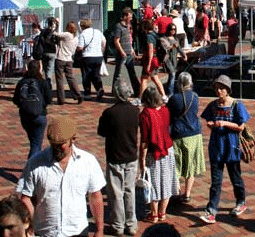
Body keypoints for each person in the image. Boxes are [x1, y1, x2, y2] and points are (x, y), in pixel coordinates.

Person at [17, 115, 106, 237]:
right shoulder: (35, 163)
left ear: (73, 139)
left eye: (61, 144)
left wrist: (99, 230)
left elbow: (95, 197)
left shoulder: (88, 162)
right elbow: (25, 198)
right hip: (45, 232)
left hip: (77, 232)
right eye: (53, 144)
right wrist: (29, 227)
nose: (57, 148)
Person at [199, 75, 250, 224]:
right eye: (216, 88)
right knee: (216, 181)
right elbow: (208, 120)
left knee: (235, 177)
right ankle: (211, 211)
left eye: (221, 88)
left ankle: (241, 202)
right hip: (216, 146)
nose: (218, 91)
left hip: (231, 146)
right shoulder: (213, 105)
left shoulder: (236, 105)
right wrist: (211, 124)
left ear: (228, 89)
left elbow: (241, 126)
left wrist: (224, 123)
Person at [97, 79, 139, 236]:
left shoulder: (109, 113)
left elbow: (101, 132)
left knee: (116, 193)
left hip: (115, 156)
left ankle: (118, 226)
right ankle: (131, 224)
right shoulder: (135, 111)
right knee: (129, 191)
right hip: (131, 154)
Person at [138, 87, 181, 223]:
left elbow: (144, 140)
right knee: (167, 181)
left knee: (154, 184)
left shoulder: (145, 114)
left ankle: (154, 214)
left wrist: (142, 158)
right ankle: (163, 213)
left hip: (153, 152)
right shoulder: (165, 110)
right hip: (168, 149)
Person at [167, 72, 206, 203]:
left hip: (178, 134)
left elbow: (169, 115)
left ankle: (177, 192)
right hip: (194, 133)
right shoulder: (195, 96)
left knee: (176, 165)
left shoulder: (174, 99)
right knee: (191, 165)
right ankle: (187, 193)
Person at [13, 60, 53, 159]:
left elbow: (15, 99)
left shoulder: (22, 82)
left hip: (25, 116)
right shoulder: (43, 82)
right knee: (36, 144)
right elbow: (49, 99)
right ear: (39, 69)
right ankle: (31, 168)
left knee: (33, 141)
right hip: (39, 115)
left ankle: (31, 164)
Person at [112, 8, 141, 100]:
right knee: (118, 74)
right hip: (122, 54)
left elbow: (129, 40)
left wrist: (132, 51)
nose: (131, 18)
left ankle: (137, 91)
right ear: (125, 16)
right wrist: (122, 52)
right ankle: (115, 91)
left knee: (132, 73)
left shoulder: (129, 26)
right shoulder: (118, 26)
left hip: (129, 53)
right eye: (130, 16)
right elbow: (116, 40)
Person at [77, 18, 107, 101]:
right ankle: (99, 89)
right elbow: (104, 42)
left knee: (86, 75)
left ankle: (87, 92)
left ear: (82, 26)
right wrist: (101, 50)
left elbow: (80, 47)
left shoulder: (82, 34)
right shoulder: (97, 32)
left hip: (87, 56)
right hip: (98, 56)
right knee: (96, 74)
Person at [54, 21, 82, 105]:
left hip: (60, 58)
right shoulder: (76, 38)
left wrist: (57, 25)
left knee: (59, 79)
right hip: (69, 59)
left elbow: (56, 34)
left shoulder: (67, 35)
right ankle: (78, 94)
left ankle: (61, 99)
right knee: (70, 78)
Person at [140, 19, 167, 101]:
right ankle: (164, 96)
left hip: (150, 60)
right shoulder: (155, 35)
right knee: (155, 78)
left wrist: (148, 64)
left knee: (144, 79)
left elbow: (150, 50)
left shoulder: (149, 37)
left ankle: (141, 98)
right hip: (155, 60)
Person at [38, 17, 59, 85]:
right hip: (52, 51)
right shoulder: (53, 32)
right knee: (50, 68)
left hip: (44, 51)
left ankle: (46, 80)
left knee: (45, 68)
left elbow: (41, 41)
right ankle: (48, 81)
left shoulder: (43, 32)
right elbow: (57, 40)